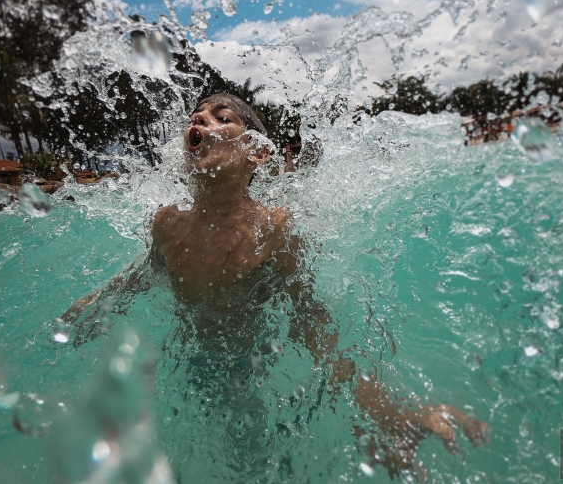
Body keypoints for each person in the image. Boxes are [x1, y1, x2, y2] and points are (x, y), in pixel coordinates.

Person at [64, 93, 488, 480]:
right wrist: (99, 301)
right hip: (190, 356)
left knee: (249, 461)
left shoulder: (273, 229)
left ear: (256, 153)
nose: (200, 119)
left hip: (246, 364)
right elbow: (145, 274)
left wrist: (382, 411)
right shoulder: (166, 223)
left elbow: (312, 320)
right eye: (196, 116)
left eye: (221, 117)